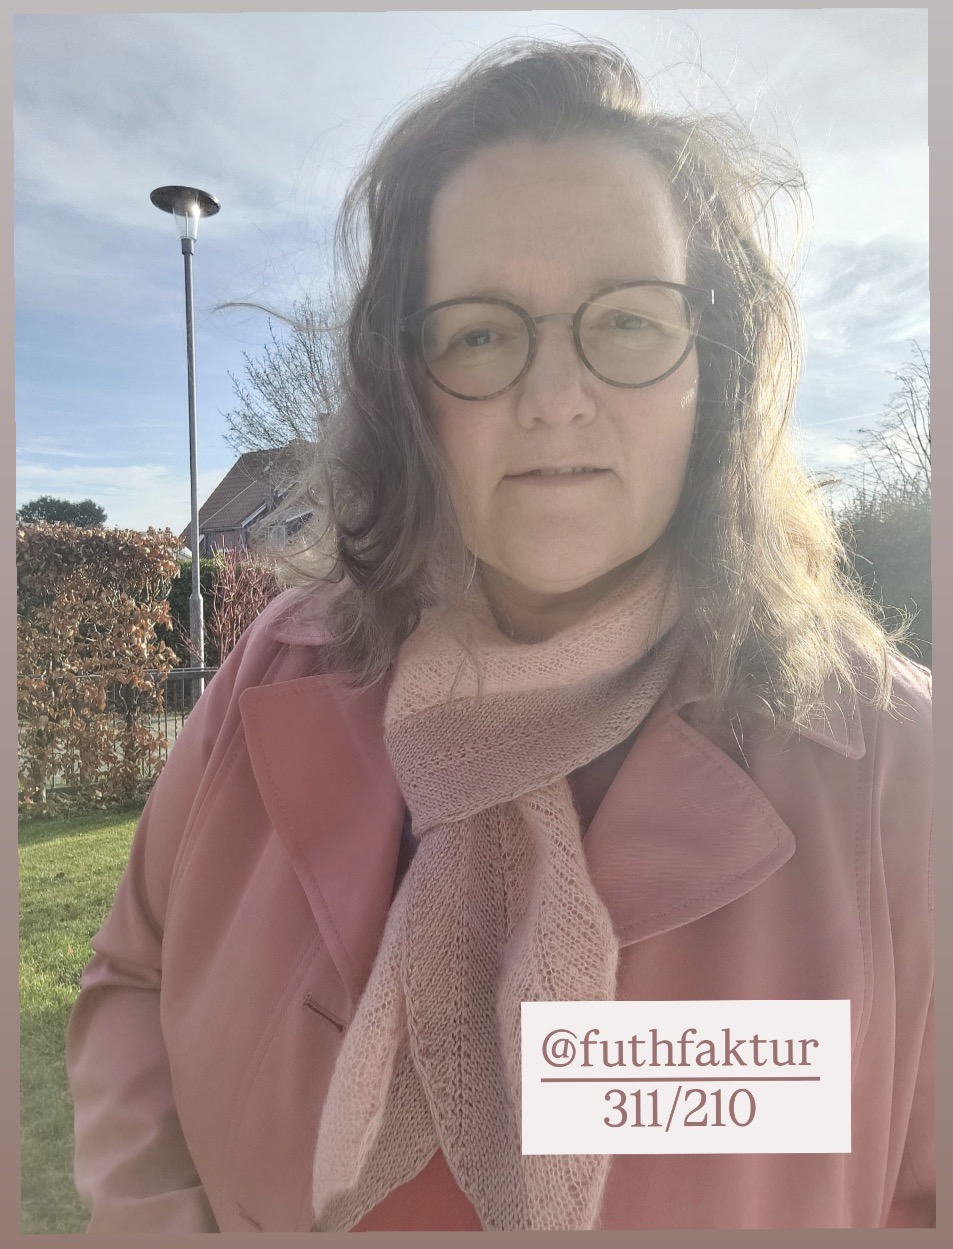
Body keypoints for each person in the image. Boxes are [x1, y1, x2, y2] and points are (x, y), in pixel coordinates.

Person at [65, 38, 933, 1232]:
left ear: (717, 369)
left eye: (627, 321)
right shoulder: (278, 665)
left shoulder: (900, 774)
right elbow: (134, 980)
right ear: (405, 387)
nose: (553, 397)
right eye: (478, 333)